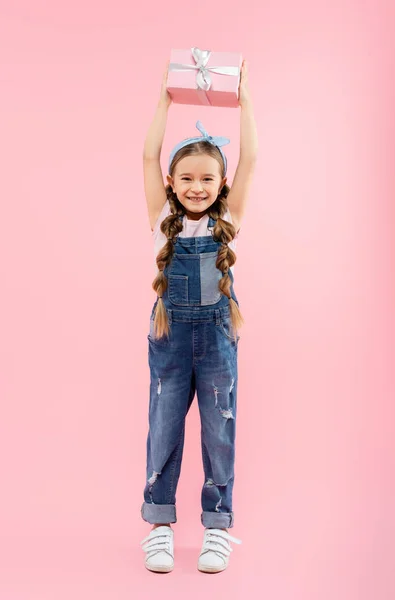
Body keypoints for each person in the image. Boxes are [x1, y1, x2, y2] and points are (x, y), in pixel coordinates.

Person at [140, 60, 258, 574]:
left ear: (221, 183)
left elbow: (252, 158)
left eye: (207, 178)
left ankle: (216, 527)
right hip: (169, 341)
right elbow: (147, 154)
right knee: (163, 430)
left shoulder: (227, 221)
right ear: (171, 181)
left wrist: (245, 100)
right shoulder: (161, 220)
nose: (196, 186)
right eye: (186, 177)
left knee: (219, 431)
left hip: (216, 341)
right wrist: (165, 101)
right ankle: (160, 527)